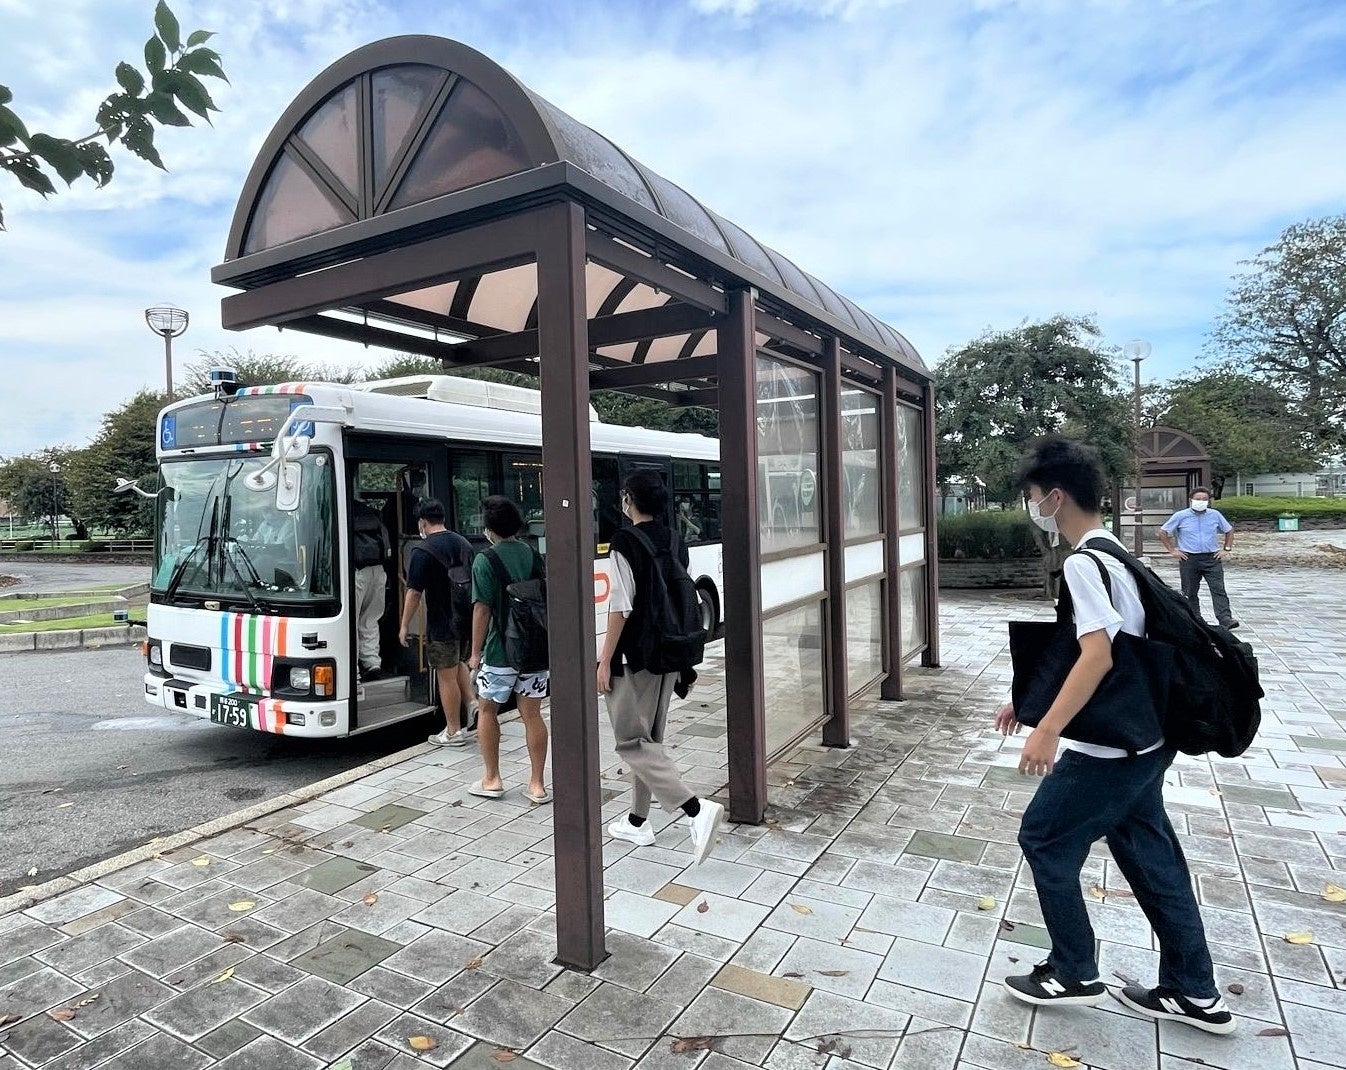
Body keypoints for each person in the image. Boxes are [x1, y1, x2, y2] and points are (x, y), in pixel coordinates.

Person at [996, 437, 1233, 1035]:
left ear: (1054, 497)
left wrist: (1046, 730)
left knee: (1044, 837)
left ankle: (1073, 969)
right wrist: (1027, 701)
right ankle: (1195, 991)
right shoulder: (1114, 553)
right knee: (1151, 855)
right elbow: (1105, 647)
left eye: (1031, 498)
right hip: (1149, 739)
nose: (1032, 507)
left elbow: (1098, 656)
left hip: (1111, 750)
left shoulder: (1081, 563)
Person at [598, 471, 723, 864]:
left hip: (636, 657)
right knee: (649, 742)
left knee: (631, 743)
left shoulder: (623, 541)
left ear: (629, 500)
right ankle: (638, 821)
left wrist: (604, 660)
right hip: (670, 652)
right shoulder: (672, 537)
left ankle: (695, 810)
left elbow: (621, 605)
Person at [468, 495, 551, 804]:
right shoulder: (532, 554)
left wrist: (475, 653)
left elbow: (482, 610)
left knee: (487, 710)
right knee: (532, 714)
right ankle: (537, 785)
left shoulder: (485, 560)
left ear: (489, 528)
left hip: (500, 651)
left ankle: (492, 778)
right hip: (533, 649)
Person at [399, 499, 476, 748]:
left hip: (442, 622)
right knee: (458, 664)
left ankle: (453, 731)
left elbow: (413, 593)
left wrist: (403, 625)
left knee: (445, 676)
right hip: (465, 620)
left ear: (422, 522)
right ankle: (473, 703)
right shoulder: (463, 543)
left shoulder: (423, 550)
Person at [1158, 488, 1239, 630]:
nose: (1201, 502)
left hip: (1211, 558)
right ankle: (1195, 619)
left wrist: (1226, 548)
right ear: (1191, 500)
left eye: (1204, 499)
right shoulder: (1181, 516)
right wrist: (1172, 550)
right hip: (1189, 558)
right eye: (1198, 499)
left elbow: (1229, 530)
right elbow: (1163, 531)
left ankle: (1225, 618)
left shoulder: (1215, 515)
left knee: (1218, 588)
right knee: (1189, 591)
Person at [352, 495, 391, 681]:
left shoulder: (342, 508)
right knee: (370, 619)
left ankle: (354, 671)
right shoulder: (372, 514)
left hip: (357, 571)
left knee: (350, 622)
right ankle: (372, 663)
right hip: (378, 570)